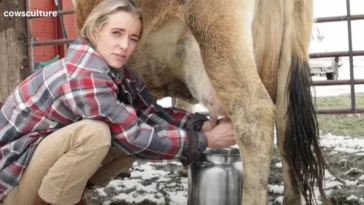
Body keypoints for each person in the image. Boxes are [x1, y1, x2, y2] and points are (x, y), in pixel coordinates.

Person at [0, 0, 236, 204]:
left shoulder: (118, 73)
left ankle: (73, 192)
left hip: (34, 167)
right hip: (12, 187)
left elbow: (151, 114)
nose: (125, 46)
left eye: (133, 38)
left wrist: (198, 125)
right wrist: (206, 140)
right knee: (95, 134)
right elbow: (134, 137)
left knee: (135, 128)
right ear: (94, 33)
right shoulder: (85, 76)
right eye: (116, 33)